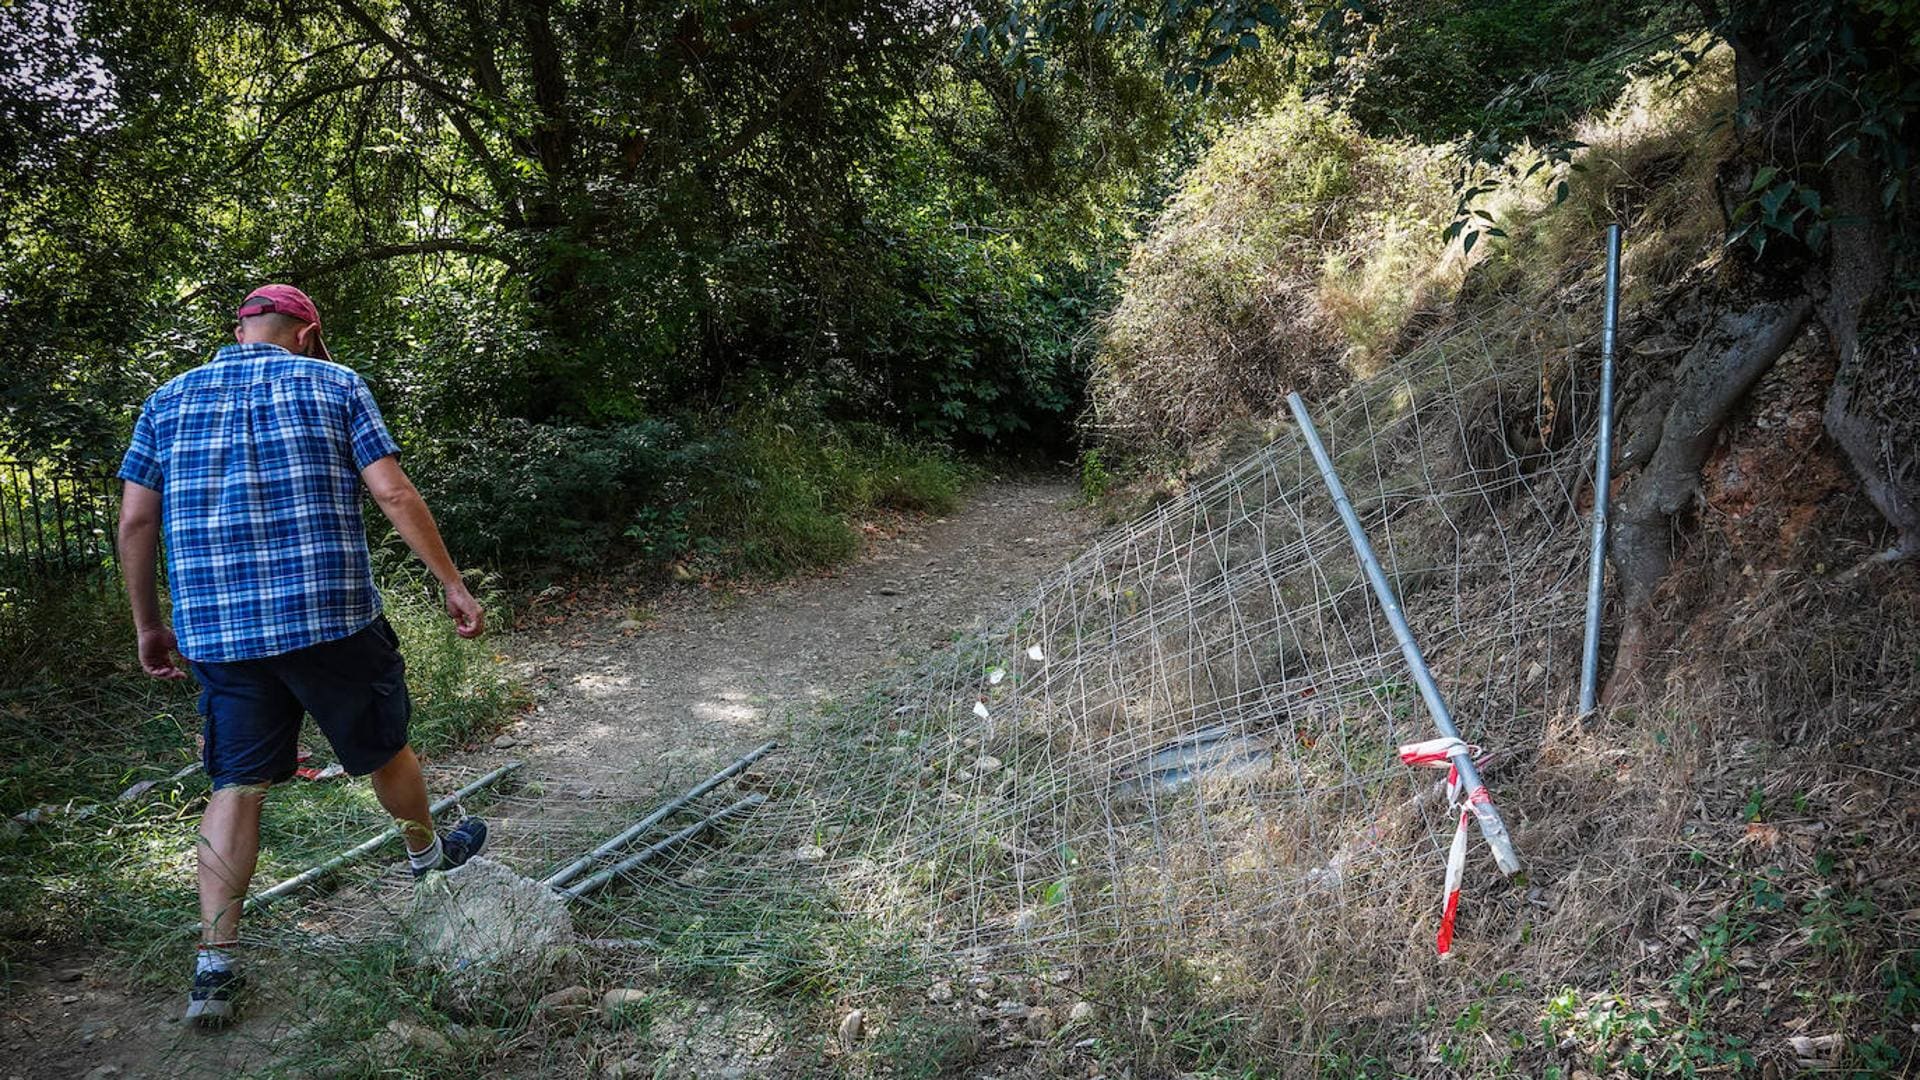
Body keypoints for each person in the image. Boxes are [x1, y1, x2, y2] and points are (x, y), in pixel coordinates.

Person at [116, 284, 489, 1028]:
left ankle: (215, 964)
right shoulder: (335, 382)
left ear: (240, 328)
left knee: (236, 784)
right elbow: (391, 489)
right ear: (306, 333)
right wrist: (451, 581)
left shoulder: (168, 399)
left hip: (219, 629)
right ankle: (425, 857)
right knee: (384, 748)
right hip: (330, 618)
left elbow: (135, 520)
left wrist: (148, 624)